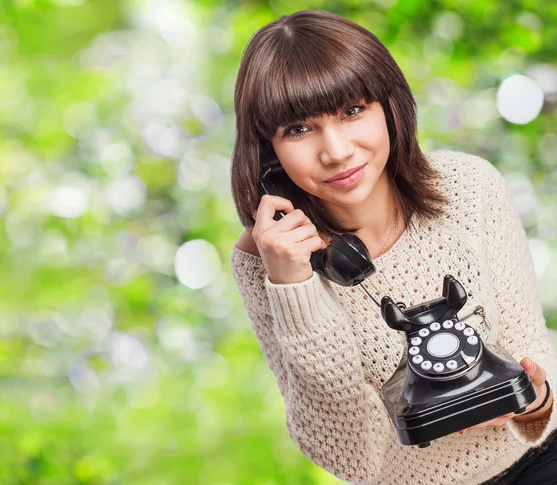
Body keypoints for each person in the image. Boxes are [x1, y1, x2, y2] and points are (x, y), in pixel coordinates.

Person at [228, 9, 557, 485]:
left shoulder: (470, 187)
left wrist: (534, 400)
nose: (337, 150)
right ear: (266, 153)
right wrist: (293, 287)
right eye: (298, 129)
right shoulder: (267, 259)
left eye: (352, 111)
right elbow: (349, 454)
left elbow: (531, 348)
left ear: (389, 107)